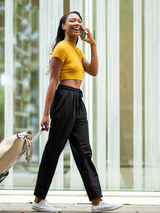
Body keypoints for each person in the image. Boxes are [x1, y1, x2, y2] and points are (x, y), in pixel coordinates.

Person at [31, 11, 123, 212]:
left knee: (83, 150)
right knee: (54, 149)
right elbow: (53, 82)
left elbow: (94, 71)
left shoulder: (78, 51)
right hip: (63, 98)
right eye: (72, 20)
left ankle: (97, 201)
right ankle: (38, 200)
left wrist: (93, 44)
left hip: (77, 100)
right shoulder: (61, 48)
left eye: (79, 21)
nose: (77, 23)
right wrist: (46, 114)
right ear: (63, 26)